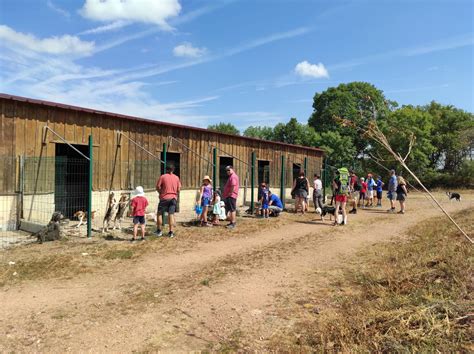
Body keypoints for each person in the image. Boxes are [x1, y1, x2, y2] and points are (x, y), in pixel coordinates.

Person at [155, 164, 181, 238]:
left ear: (166, 169)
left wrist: (160, 192)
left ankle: (159, 231)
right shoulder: (176, 178)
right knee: (171, 214)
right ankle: (171, 232)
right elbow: (178, 189)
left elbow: (157, 187)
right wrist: (175, 195)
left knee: (159, 213)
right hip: (173, 198)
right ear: (173, 169)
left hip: (164, 197)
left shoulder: (163, 177)